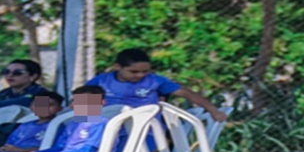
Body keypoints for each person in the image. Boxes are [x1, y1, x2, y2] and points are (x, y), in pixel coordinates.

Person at [85, 48, 227, 121]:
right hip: (108, 125)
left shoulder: (155, 81)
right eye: (133, 72)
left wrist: (213, 110)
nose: (140, 76)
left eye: (145, 72)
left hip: (145, 129)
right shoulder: (101, 81)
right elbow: (83, 105)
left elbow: (187, 94)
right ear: (117, 67)